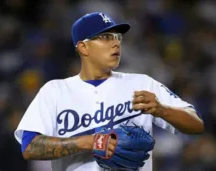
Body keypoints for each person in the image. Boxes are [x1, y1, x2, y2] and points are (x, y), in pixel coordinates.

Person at [14, 12, 204, 171]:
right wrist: (89, 142)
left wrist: (162, 110)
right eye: (105, 37)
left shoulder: (142, 83)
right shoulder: (54, 91)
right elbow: (29, 147)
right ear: (83, 47)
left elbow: (196, 125)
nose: (116, 43)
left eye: (117, 37)